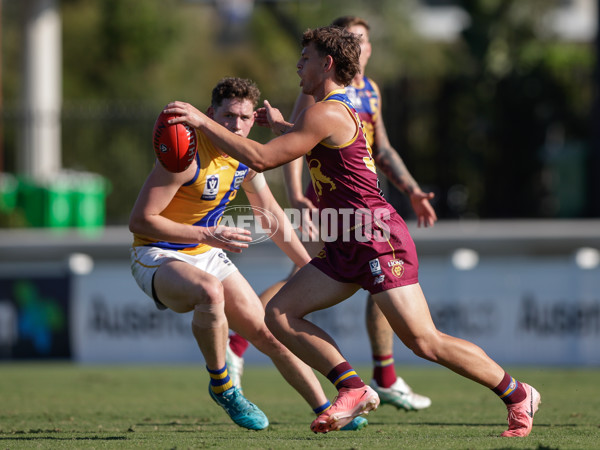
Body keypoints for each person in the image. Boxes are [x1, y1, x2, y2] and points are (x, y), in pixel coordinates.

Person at [164, 27, 541, 436]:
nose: (298, 64)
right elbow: (311, 142)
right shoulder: (326, 112)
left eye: (305, 57)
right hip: (347, 240)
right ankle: (353, 387)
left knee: (425, 342)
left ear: (327, 63)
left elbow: (260, 158)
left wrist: (202, 121)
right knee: (280, 313)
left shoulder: (324, 112)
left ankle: (519, 394)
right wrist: (282, 127)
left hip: (378, 238)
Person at [129, 77, 366, 431]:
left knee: (271, 332)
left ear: (253, 120)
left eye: (243, 118)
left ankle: (329, 411)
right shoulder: (184, 154)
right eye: (227, 116)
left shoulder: (245, 159)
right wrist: (207, 233)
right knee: (209, 291)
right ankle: (224, 386)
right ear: (209, 115)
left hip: (204, 250)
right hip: (157, 254)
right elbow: (141, 222)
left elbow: (269, 216)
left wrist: (306, 265)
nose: (235, 125)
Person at [226, 15, 435, 413]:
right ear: (339, 52)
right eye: (354, 39)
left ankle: (381, 378)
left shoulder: (369, 92)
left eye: (366, 40)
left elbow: (382, 149)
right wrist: (294, 195)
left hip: (363, 203)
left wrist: (411, 189)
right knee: (300, 272)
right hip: (331, 201)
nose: (362, 46)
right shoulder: (321, 91)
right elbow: (292, 142)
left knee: (376, 288)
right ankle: (240, 342)